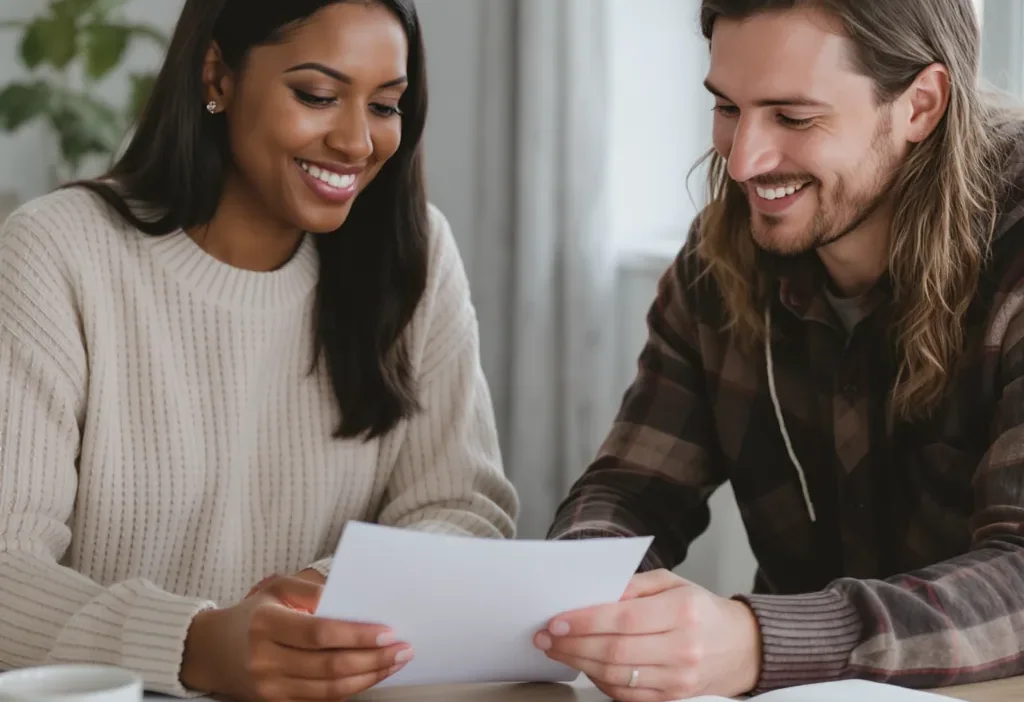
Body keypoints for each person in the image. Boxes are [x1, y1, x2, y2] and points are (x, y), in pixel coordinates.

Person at [0, 1, 518, 700]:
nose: (358, 142)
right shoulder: (56, 252)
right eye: (318, 96)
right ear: (218, 75)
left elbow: (465, 512)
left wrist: (329, 597)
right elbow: (6, 566)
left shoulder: (412, 255)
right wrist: (195, 644)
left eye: (386, 106)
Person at [541, 1, 1024, 700]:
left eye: (793, 118)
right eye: (727, 109)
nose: (743, 163)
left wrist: (759, 642)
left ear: (920, 106)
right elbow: (629, 490)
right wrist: (587, 593)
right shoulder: (721, 257)